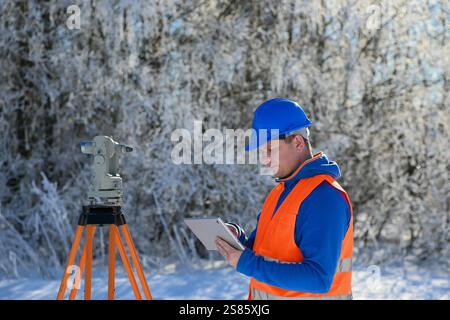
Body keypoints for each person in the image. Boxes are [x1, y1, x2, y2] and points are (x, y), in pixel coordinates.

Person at [216, 98, 354, 300]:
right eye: (261, 152)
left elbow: (319, 278)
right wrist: (237, 240)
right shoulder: (280, 192)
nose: (265, 159)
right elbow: (265, 253)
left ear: (297, 142)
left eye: (270, 149)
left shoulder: (324, 197)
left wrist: (247, 263)